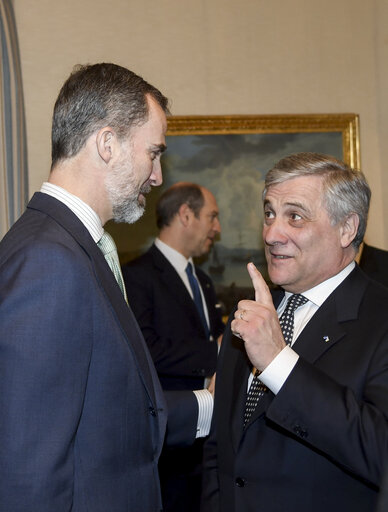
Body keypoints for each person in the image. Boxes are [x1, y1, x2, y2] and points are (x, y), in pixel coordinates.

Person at [0, 62, 198, 512]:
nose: (158, 176)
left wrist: (213, 402)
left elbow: (110, 409)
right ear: (107, 144)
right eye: (154, 152)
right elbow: (27, 471)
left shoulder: (69, 245)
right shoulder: (48, 262)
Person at [201, 152, 388, 512]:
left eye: (295, 217)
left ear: (347, 229)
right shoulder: (252, 314)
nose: (272, 234)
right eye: (269, 213)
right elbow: (219, 452)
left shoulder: (380, 318)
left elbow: (379, 449)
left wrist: (278, 362)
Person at [122, 182, 225, 512]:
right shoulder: (136, 277)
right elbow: (146, 351)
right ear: (186, 215)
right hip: (169, 447)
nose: (217, 228)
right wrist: (218, 352)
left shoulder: (204, 281)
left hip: (208, 448)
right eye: (212, 217)